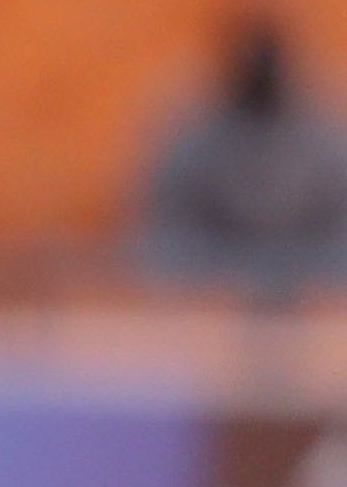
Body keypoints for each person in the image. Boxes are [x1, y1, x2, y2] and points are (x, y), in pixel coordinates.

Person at [142, 16, 347, 292]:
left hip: (310, 294)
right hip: (211, 293)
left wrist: (295, 276)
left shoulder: (326, 139)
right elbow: (167, 235)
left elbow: (339, 232)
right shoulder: (191, 137)